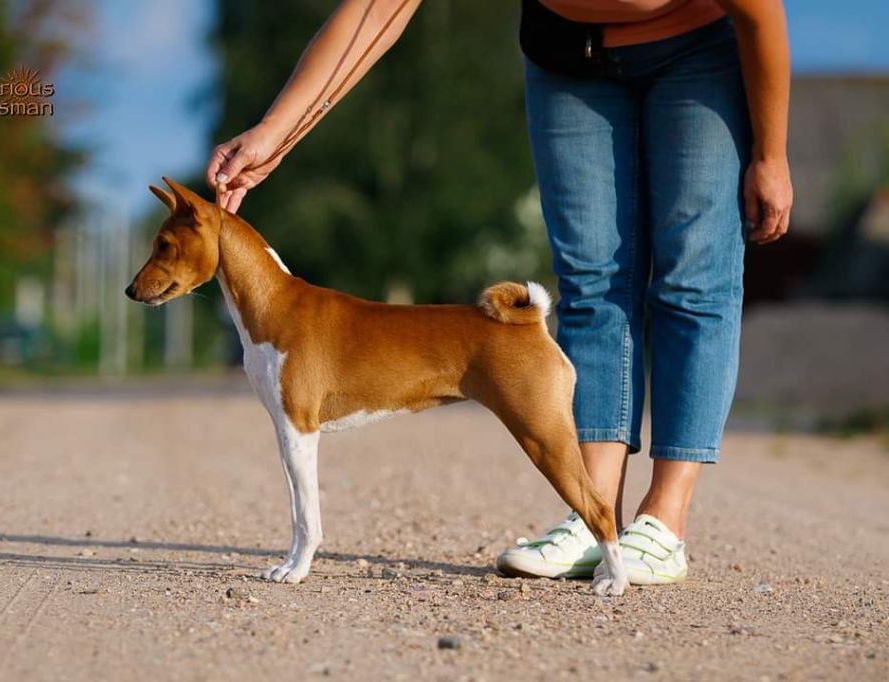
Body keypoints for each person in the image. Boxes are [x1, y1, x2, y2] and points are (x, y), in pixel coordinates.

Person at [205, 0, 792, 586]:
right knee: (589, 281)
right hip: (569, 53)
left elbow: (760, 11)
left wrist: (770, 153)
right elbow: (374, 11)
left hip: (697, 51)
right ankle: (593, 517)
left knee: (691, 279)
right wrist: (273, 135)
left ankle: (665, 521)